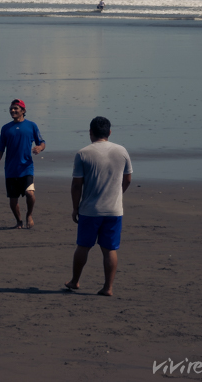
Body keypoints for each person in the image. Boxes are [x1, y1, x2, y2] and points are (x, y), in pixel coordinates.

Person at [65, 116, 133, 296]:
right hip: (114, 209)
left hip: (90, 209)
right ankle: (108, 287)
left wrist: (75, 207)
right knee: (109, 249)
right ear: (109, 132)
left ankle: (75, 280)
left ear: (90, 132)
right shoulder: (122, 151)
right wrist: (117, 195)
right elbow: (127, 180)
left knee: (83, 246)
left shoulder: (83, 153)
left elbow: (76, 185)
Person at [0, 99, 46, 228]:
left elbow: (42, 142)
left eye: (16, 108)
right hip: (11, 169)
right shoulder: (5, 128)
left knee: (30, 193)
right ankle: (19, 221)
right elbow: (0, 148)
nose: (13, 111)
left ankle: (29, 215)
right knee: (13, 199)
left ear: (23, 111)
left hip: (26, 167)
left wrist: (40, 148)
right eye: (11, 108)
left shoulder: (31, 126)